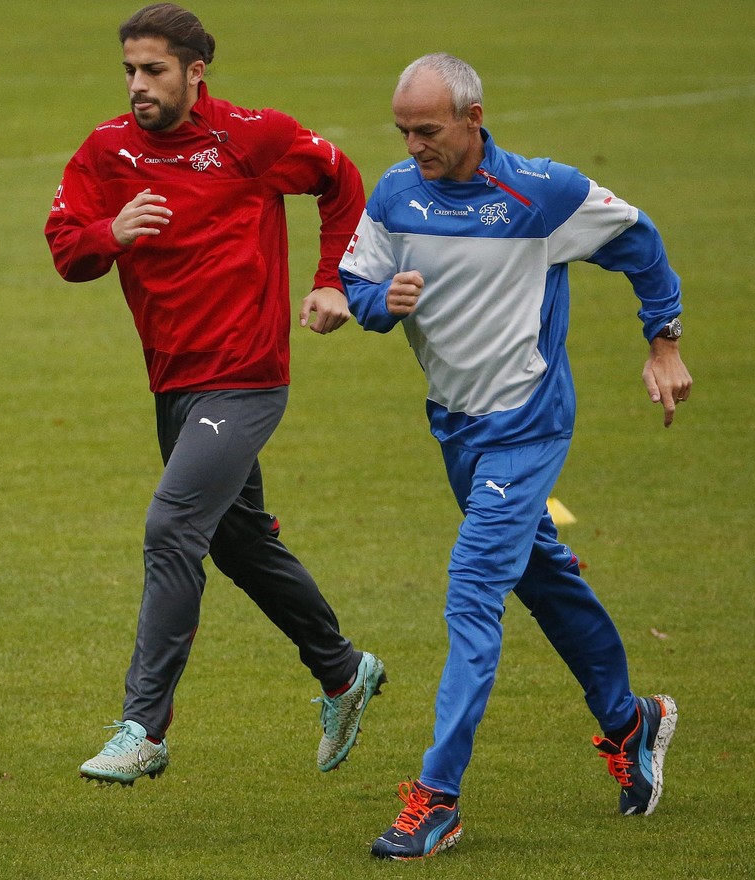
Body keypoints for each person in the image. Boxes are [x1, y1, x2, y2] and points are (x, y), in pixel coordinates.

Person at [338, 53, 691, 860]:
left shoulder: (545, 194)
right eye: (402, 131)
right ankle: (631, 721)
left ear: (473, 116)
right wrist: (373, 305)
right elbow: (358, 281)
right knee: (543, 579)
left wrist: (662, 343)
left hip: (526, 428)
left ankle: (437, 799)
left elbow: (639, 241)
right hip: (455, 429)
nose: (413, 145)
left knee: (472, 594)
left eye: (426, 130)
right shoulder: (397, 193)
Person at [43, 3, 385, 786]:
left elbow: (340, 180)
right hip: (174, 382)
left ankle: (144, 727)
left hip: (248, 375)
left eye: (154, 70)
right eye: (130, 70)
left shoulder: (253, 138)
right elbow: (67, 247)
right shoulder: (107, 152)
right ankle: (343, 671)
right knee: (237, 543)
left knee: (171, 527)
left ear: (196, 73)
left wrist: (334, 280)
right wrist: (112, 234)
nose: (138, 85)